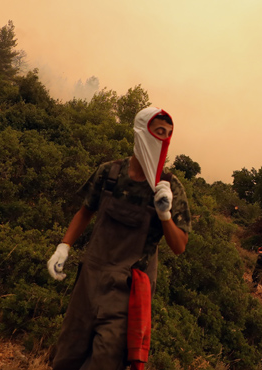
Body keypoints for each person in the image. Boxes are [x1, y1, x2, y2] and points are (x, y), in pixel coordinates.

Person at [46, 107, 191, 370]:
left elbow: (179, 246)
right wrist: (63, 247)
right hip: (89, 282)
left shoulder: (169, 187)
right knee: (67, 355)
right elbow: (85, 211)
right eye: (159, 132)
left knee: (106, 361)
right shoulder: (110, 173)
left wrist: (165, 214)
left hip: (126, 293)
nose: (165, 140)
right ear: (141, 132)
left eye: (169, 134)